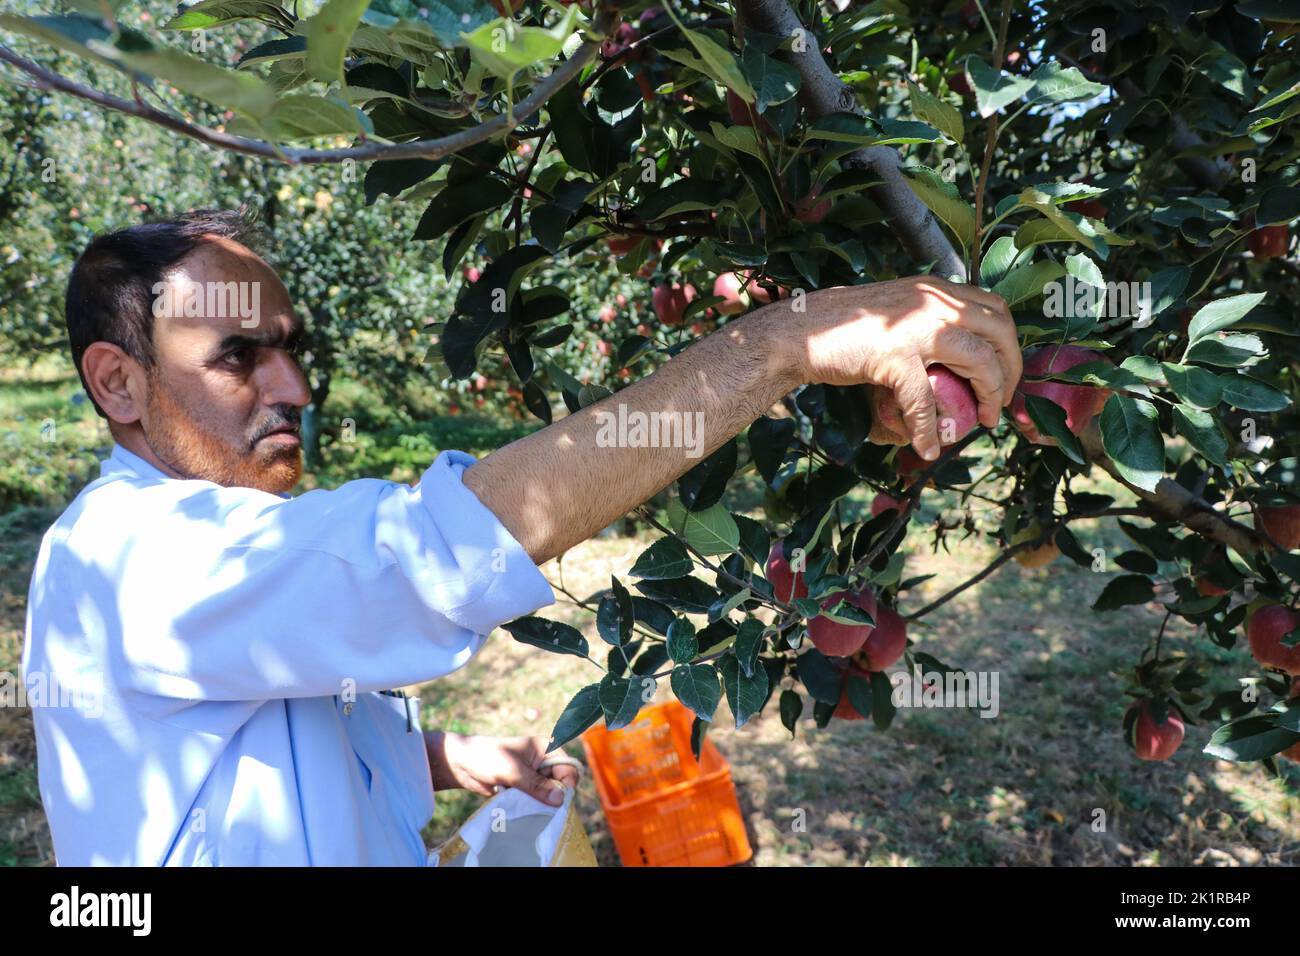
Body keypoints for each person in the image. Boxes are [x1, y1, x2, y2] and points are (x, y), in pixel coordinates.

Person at [22, 209, 1019, 865]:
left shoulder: (223, 555)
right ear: (119, 381)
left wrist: (453, 758)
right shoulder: (136, 557)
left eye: (290, 351)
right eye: (239, 355)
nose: (291, 388)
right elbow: (433, 550)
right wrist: (785, 345)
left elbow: (258, 745)